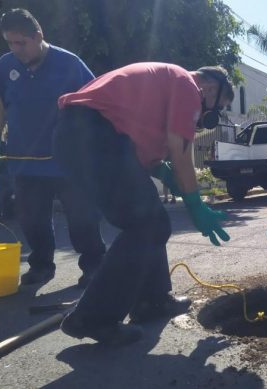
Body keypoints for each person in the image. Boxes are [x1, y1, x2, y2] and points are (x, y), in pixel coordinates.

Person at [54, 63, 234, 345]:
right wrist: (195, 205)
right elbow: (181, 151)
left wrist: (163, 172)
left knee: (152, 220)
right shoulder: (188, 85)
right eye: (217, 106)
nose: (211, 115)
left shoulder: (166, 82)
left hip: (83, 136)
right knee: (146, 223)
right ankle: (91, 318)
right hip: (94, 137)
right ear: (210, 88)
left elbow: (142, 150)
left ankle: (152, 300)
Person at [0, 9, 105, 287]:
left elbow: (96, 102)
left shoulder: (70, 64)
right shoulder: (6, 65)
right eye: (10, 43)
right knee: (31, 219)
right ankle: (41, 265)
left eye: (21, 43)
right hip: (23, 159)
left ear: (38, 36)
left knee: (82, 217)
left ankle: (94, 264)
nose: (16, 50)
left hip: (67, 159)